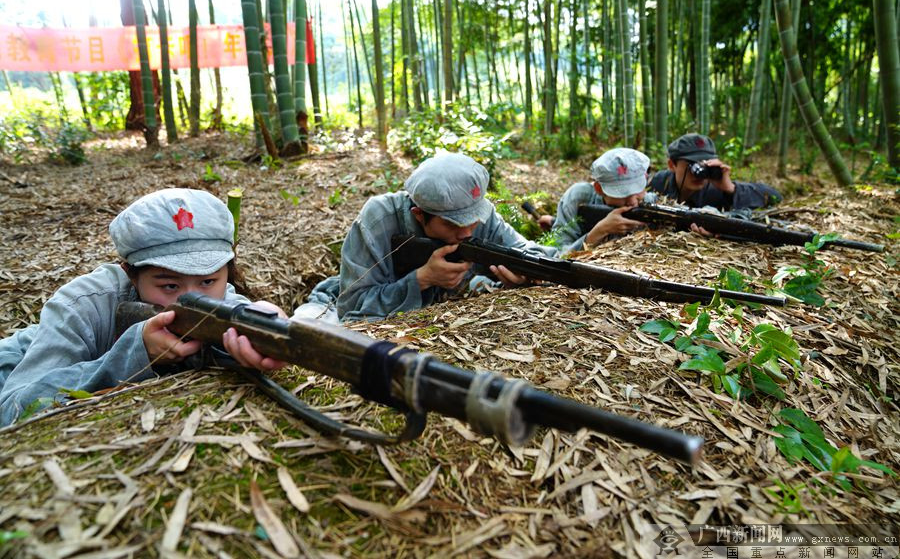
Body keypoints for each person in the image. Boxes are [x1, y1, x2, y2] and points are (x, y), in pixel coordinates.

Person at [0, 188, 287, 426]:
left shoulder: (225, 300)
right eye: (170, 286)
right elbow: (16, 410)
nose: (193, 299)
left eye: (208, 280)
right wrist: (135, 353)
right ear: (130, 274)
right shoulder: (80, 305)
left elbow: (251, 326)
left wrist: (266, 334)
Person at [293, 153, 557, 323]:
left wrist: (526, 274)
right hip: (333, 304)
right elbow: (352, 307)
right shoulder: (379, 219)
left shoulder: (481, 220)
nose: (467, 232)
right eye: (453, 223)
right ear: (419, 215)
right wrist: (421, 280)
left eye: (474, 218)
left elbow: (533, 252)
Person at [540, 148, 656, 254]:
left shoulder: (653, 204)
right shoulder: (578, 198)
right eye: (622, 194)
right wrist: (600, 231)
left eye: (637, 190)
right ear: (599, 189)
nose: (632, 201)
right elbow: (557, 254)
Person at [649, 133, 781, 211]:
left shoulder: (715, 190)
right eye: (693, 165)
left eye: (705, 164)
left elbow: (775, 197)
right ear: (672, 165)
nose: (699, 173)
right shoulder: (660, 182)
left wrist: (731, 189)